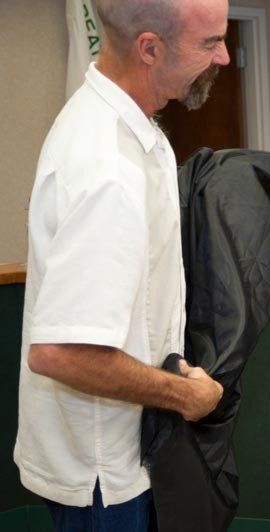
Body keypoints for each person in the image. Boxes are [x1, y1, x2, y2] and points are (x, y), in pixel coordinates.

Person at [15, 0, 231, 530]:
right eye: (209, 43)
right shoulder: (106, 168)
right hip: (103, 478)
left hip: (130, 454)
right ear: (149, 48)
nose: (224, 57)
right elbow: (60, 353)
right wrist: (185, 395)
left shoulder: (134, 129)